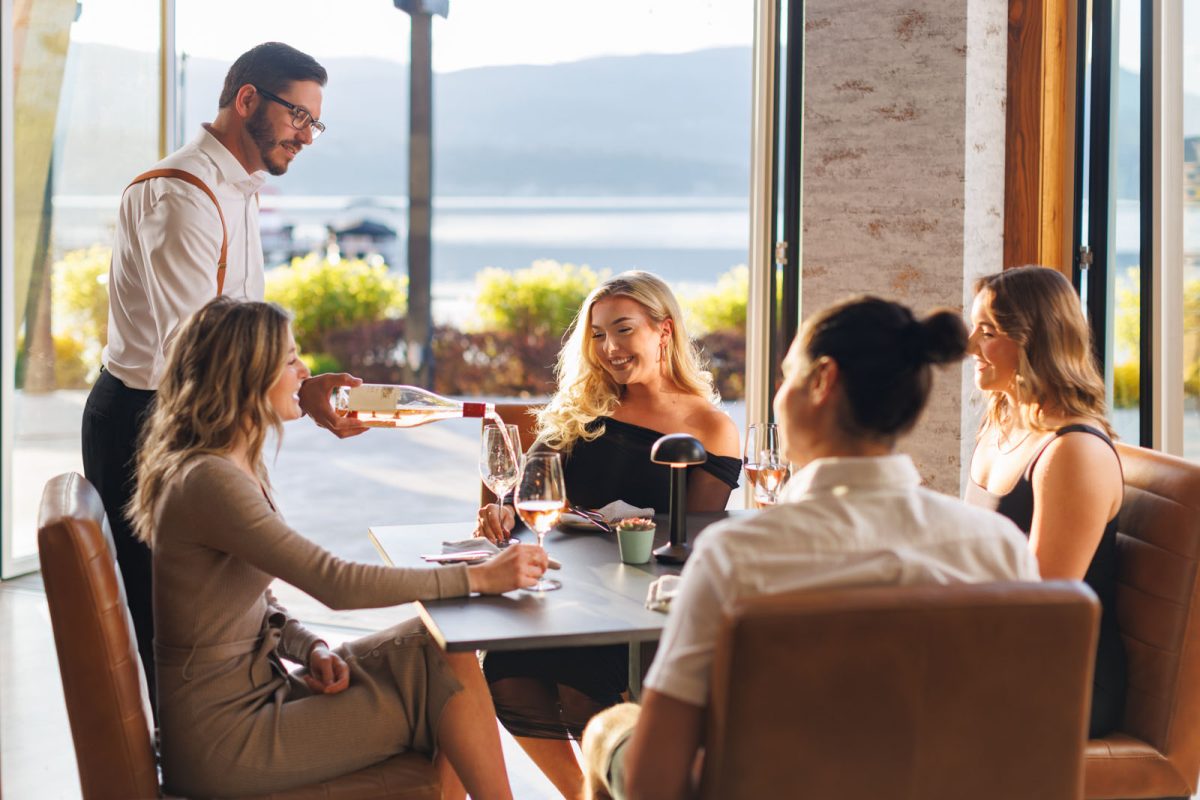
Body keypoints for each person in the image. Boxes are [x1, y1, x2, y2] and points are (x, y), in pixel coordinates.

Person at [580, 295, 1040, 800]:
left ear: (821, 382)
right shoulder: (998, 548)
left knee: (611, 728)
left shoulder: (738, 556)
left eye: (786, 376)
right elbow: (1018, 735)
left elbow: (655, 781)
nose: (779, 395)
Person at [127, 296, 549, 799]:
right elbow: (333, 581)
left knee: (439, 641)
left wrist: (311, 647)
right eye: (289, 360)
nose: (305, 372)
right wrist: (480, 577)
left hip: (253, 700)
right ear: (244, 375)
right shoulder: (209, 480)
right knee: (439, 690)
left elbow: (256, 603)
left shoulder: (228, 462)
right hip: (224, 742)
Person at [81, 42, 366, 703]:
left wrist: (304, 382)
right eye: (299, 116)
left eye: (314, 123)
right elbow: (201, 357)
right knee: (168, 624)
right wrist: (298, 395)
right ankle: (183, 758)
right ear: (247, 101)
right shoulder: (182, 198)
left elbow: (238, 335)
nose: (307, 136)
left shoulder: (238, 187)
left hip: (193, 416)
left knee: (222, 603)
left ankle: (231, 734)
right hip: (147, 422)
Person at [475, 270, 741, 798]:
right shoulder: (582, 406)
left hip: (637, 601)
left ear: (663, 331)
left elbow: (693, 542)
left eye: (623, 330)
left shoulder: (709, 427)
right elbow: (529, 491)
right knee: (505, 671)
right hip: (561, 588)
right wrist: (502, 513)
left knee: (582, 685)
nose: (609, 348)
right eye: (598, 334)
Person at [963, 265, 1126, 737]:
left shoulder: (1073, 451)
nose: (971, 346)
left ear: (1036, 341)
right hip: (997, 651)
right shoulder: (1001, 423)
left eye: (987, 332)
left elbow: (1041, 608)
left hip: (1062, 679)